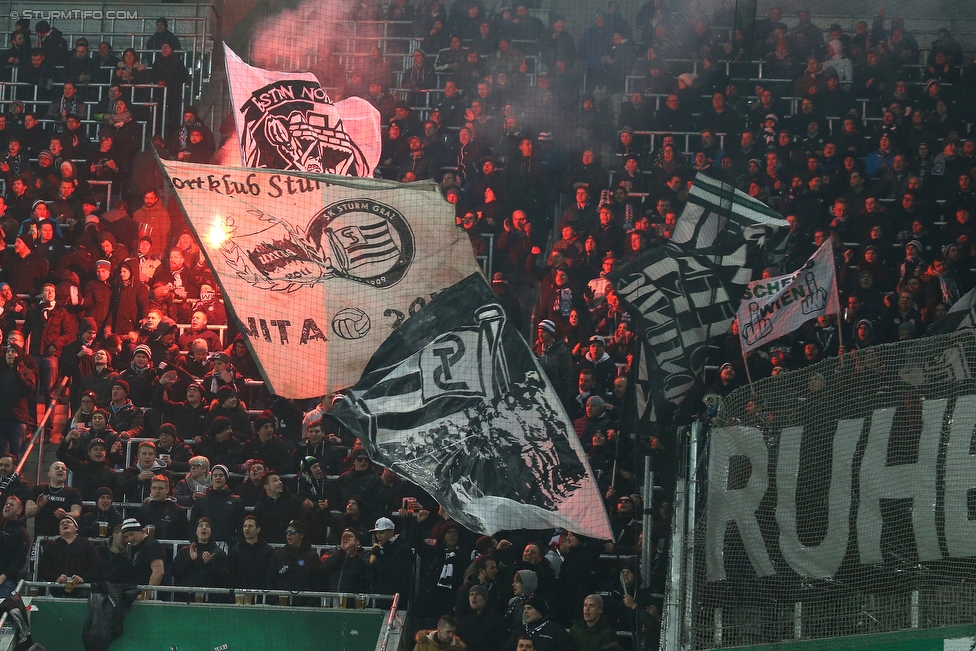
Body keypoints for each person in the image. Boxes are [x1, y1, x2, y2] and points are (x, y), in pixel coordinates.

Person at [38, 515, 99, 596]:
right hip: (56, 591)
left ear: (76, 528)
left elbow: (96, 566)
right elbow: (43, 568)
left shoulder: (87, 544)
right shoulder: (51, 546)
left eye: (69, 522)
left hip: (82, 591)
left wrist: (83, 579)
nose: (65, 524)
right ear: (59, 531)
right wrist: (56, 578)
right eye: (61, 523)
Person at [171, 517, 230, 593]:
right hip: (186, 598)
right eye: (201, 526)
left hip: (209, 598)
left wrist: (210, 564)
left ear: (211, 532)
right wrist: (190, 560)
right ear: (196, 531)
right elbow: (174, 572)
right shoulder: (185, 551)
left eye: (207, 526)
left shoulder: (218, 553)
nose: (204, 528)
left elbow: (225, 580)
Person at [190, 464, 243, 545]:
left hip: (227, 545)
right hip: (204, 544)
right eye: (215, 475)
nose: (218, 478)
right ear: (212, 478)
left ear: (226, 478)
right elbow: (193, 523)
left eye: (221, 475)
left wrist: (235, 540)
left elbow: (240, 525)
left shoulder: (236, 501)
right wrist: (195, 540)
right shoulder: (201, 500)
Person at [26, 461, 83, 536]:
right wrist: (38, 506)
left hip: (64, 537)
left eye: (63, 469)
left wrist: (65, 514)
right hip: (42, 537)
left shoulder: (73, 492)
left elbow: (77, 513)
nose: (60, 470)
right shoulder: (38, 489)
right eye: (57, 468)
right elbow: (28, 512)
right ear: (49, 474)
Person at [267, 519, 320, 596]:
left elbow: (317, 582)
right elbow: (270, 580)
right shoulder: (278, 554)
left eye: (292, 532)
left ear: (301, 535)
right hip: (281, 602)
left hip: (304, 603)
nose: (289, 534)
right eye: (287, 532)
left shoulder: (311, 556)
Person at [0, 344, 35, 457]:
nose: (10, 354)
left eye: (13, 351)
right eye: (7, 352)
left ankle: (18, 474)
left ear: (18, 355)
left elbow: (29, 388)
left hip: (18, 418)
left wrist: (17, 372)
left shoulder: (26, 372)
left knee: (18, 453)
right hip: (1, 417)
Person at [369, 516, 415, 600]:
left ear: (391, 532)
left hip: (397, 598)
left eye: (381, 532)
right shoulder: (380, 549)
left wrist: (382, 555)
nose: (378, 536)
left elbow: (401, 573)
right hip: (379, 596)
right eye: (376, 533)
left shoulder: (403, 547)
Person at [252, 472, 304, 544]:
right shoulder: (260, 507)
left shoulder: (293, 501)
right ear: (266, 486)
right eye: (275, 480)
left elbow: (300, 522)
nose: (280, 482)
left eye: (279, 480)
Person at [120, 518, 165, 599]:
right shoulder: (137, 546)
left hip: (152, 599)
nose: (129, 539)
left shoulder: (151, 545)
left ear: (140, 531)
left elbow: (158, 572)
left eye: (131, 534)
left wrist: (146, 595)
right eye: (126, 536)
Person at [505, 597, 570, 651]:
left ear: (540, 611)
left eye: (529, 608)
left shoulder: (556, 631)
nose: (525, 612)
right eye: (524, 608)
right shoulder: (518, 632)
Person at [457, 584, 509, 651]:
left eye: (477, 594)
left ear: (485, 600)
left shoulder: (497, 620)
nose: (474, 597)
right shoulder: (463, 621)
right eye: (471, 595)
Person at [135, 474, 187, 540]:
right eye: (154, 488)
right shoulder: (142, 510)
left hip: (169, 549)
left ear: (167, 490)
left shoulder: (178, 511)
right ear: (151, 489)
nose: (157, 491)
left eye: (161, 488)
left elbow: (184, 535)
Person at [229, 514, 273, 589]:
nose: (247, 529)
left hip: (260, 593)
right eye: (245, 526)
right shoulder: (235, 550)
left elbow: (270, 574)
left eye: (250, 526)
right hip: (240, 593)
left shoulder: (267, 550)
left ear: (258, 529)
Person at [321, 527, 371, 593]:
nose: (347, 540)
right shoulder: (332, 552)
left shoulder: (364, 554)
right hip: (331, 596)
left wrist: (353, 554)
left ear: (357, 541)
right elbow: (323, 568)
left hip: (353, 597)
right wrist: (342, 551)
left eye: (350, 537)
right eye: (344, 537)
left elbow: (365, 574)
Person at [0, 496, 29, 597]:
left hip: (5, 583)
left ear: (19, 511)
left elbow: (21, 559)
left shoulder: (21, 532)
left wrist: (4, 576)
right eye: (6, 504)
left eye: (11, 505)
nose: (7, 506)